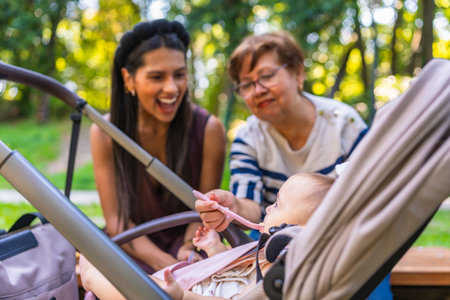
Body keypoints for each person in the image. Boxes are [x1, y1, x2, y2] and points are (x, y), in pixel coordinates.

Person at [90, 19, 226, 273]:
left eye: (179, 74)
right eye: (156, 77)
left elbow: (203, 213)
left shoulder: (210, 130)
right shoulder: (104, 133)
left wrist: (187, 249)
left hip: (189, 245)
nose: (172, 88)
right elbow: (118, 222)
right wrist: (167, 266)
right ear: (128, 79)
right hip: (131, 247)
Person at [197, 31, 367, 229]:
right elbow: (252, 207)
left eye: (267, 76)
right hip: (275, 243)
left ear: (298, 73)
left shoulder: (343, 124)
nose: (258, 90)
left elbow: (366, 197)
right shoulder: (248, 139)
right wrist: (233, 206)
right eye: (246, 84)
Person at [80, 172, 335, 299]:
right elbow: (238, 277)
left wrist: (182, 296)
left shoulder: (280, 278)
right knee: (138, 280)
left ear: (297, 234)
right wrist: (215, 249)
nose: (268, 208)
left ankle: (91, 276)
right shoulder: (266, 254)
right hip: (181, 286)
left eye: (277, 205)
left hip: (178, 296)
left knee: (137, 288)